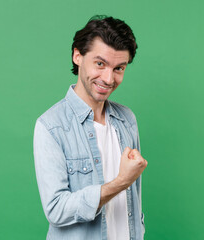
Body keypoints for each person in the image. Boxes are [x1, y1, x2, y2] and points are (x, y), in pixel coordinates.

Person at [33, 15, 147, 240]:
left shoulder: (127, 120)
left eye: (119, 68)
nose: (108, 78)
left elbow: (135, 201)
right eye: (100, 63)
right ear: (78, 56)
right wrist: (120, 182)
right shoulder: (51, 126)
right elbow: (56, 209)